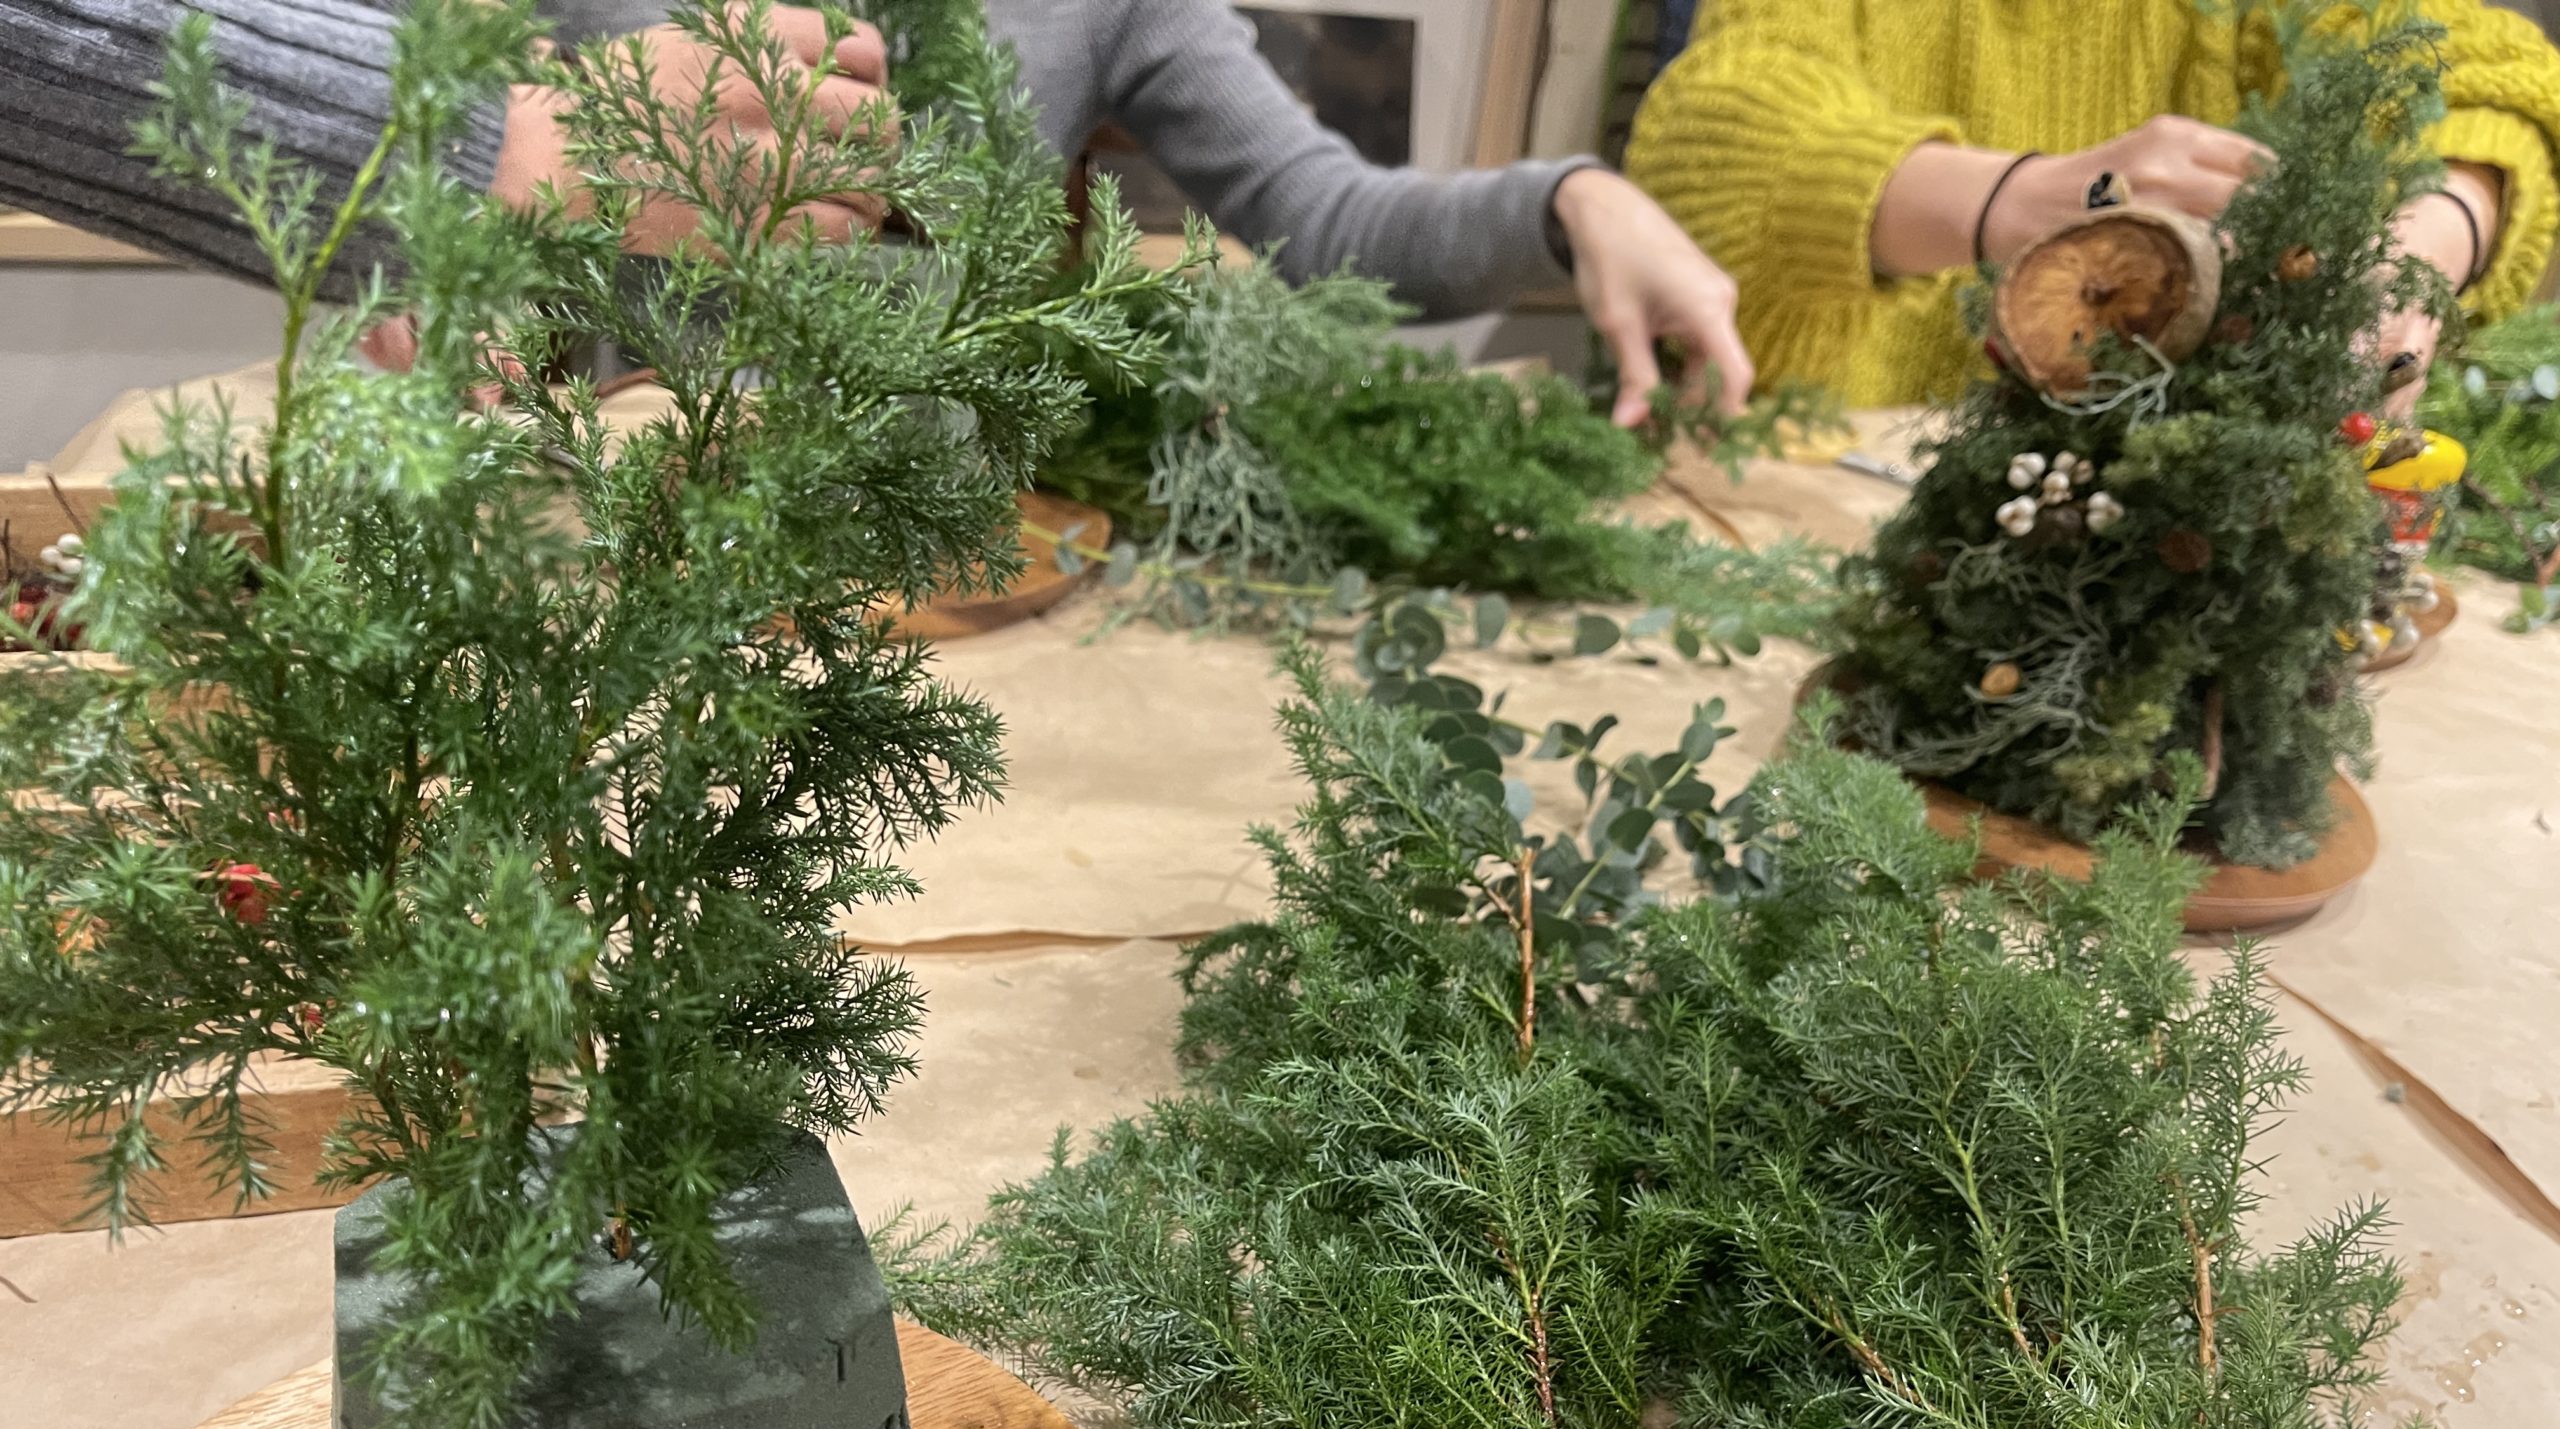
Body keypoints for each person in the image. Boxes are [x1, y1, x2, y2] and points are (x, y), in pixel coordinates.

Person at [3, 0, 1751, 425]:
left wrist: (1570, 197)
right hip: (585, 540)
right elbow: (394, 94)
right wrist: (452, 257)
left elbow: (1327, 220)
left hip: (913, 593)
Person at [1622, 0, 2560, 408]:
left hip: (2159, 539)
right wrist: (2025, 199)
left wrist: (2424, 247)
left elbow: (2487, 81)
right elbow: (1713, 140)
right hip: (1819, 514)